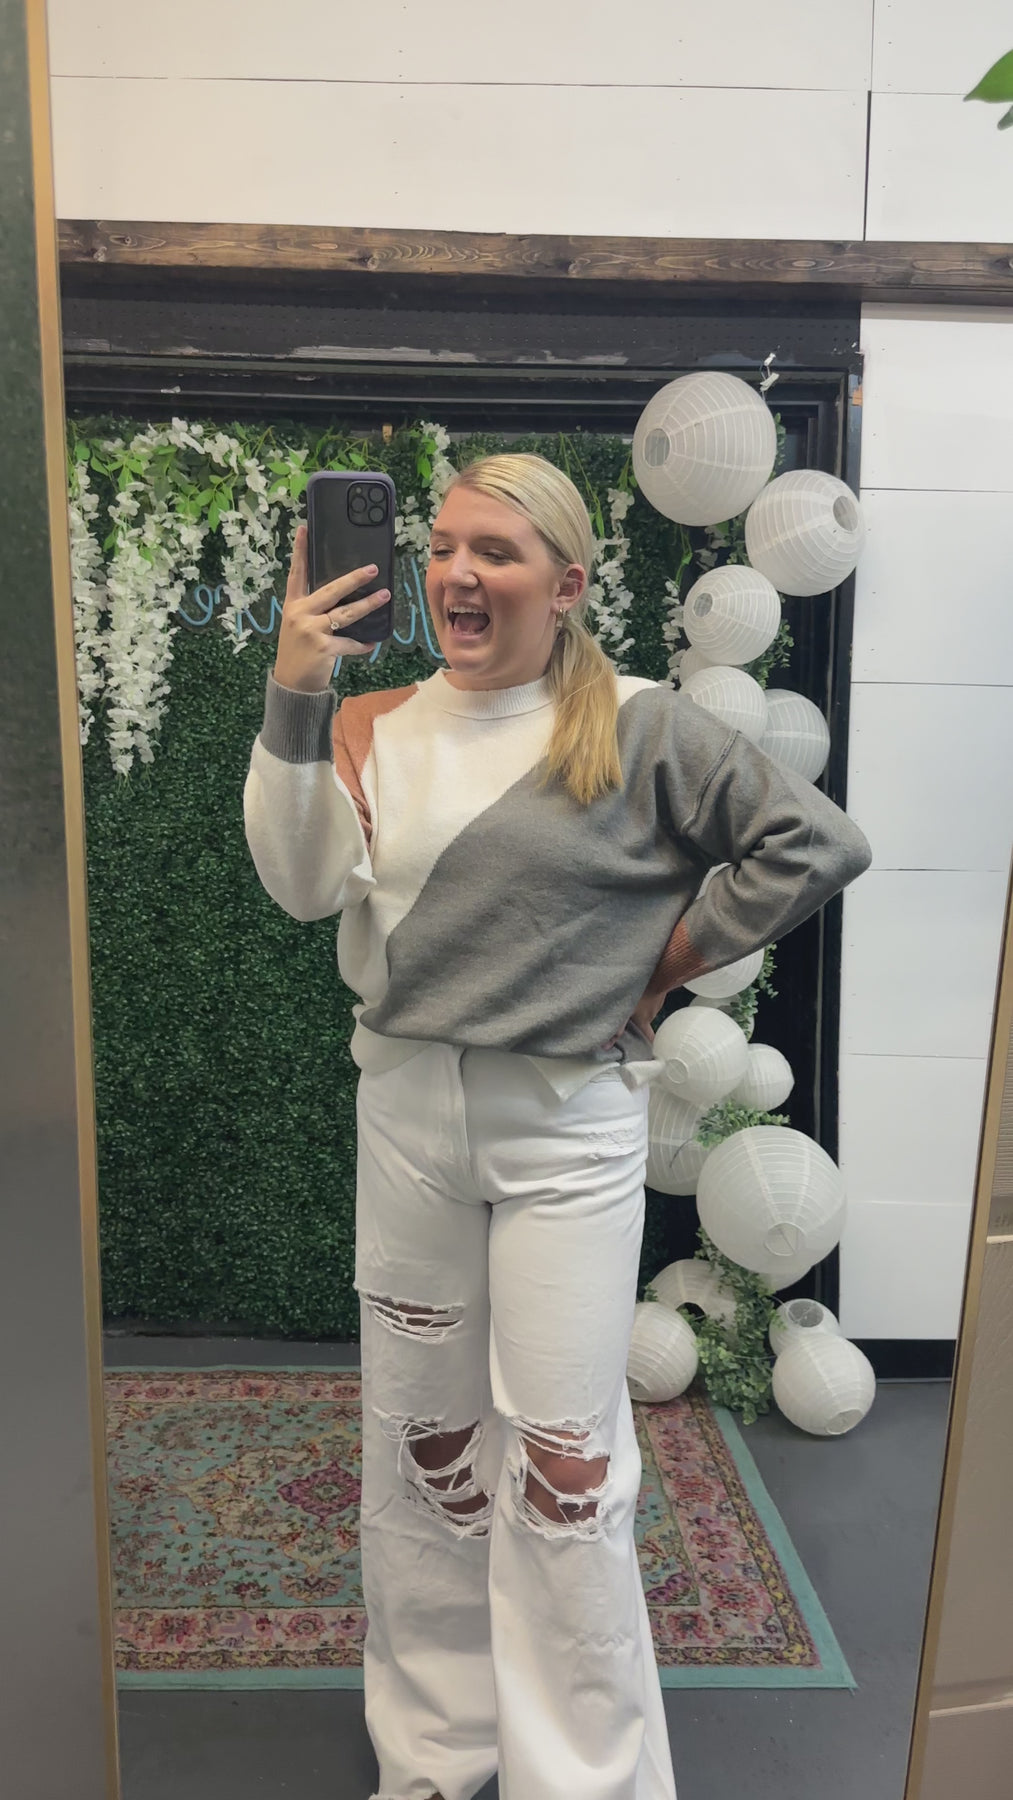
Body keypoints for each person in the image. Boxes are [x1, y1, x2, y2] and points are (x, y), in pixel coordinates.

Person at [243, 452, 872, 1800]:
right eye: (443, 547)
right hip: (407, 1120)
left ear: (568, 582)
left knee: (564, 1469)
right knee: (421, 1450)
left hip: (569, 1134)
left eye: (497, 551)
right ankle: (434, 1752)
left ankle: (578, 1776)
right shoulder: (375, 723)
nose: (457, 573)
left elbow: (811, 844)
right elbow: (299, 886)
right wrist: (298, 689)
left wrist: (662, 965)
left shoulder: (641, 725)